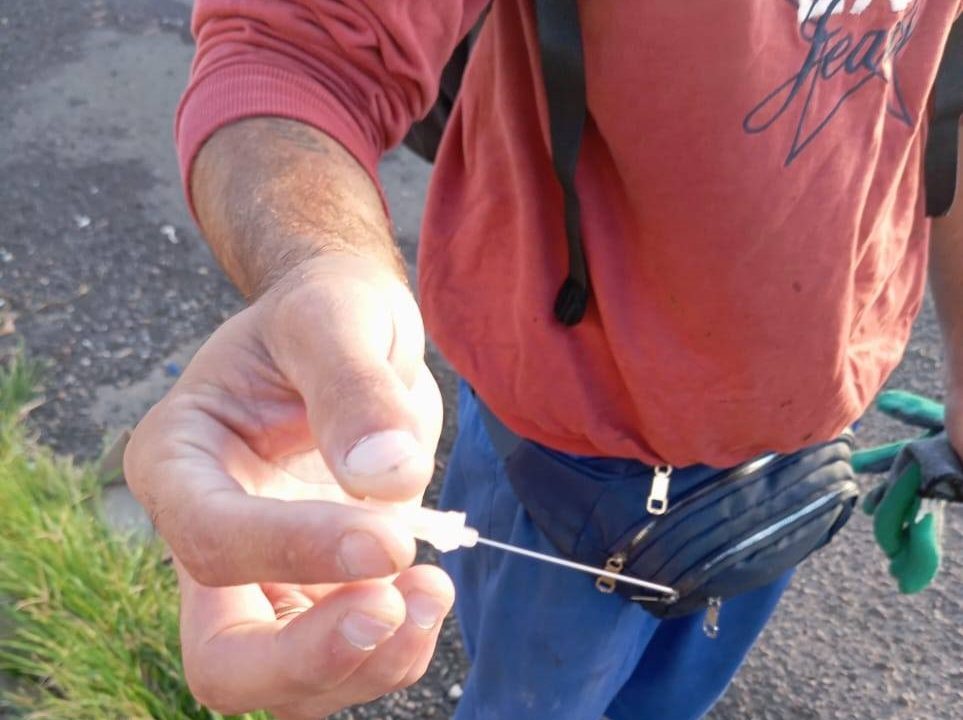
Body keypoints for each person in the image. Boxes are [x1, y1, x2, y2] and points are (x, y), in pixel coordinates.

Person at [122, 1, 963, 718]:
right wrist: (317, 275)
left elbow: (947, 96)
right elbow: (296, 46)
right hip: (568, 453)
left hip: (802, 453)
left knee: (672, 695)